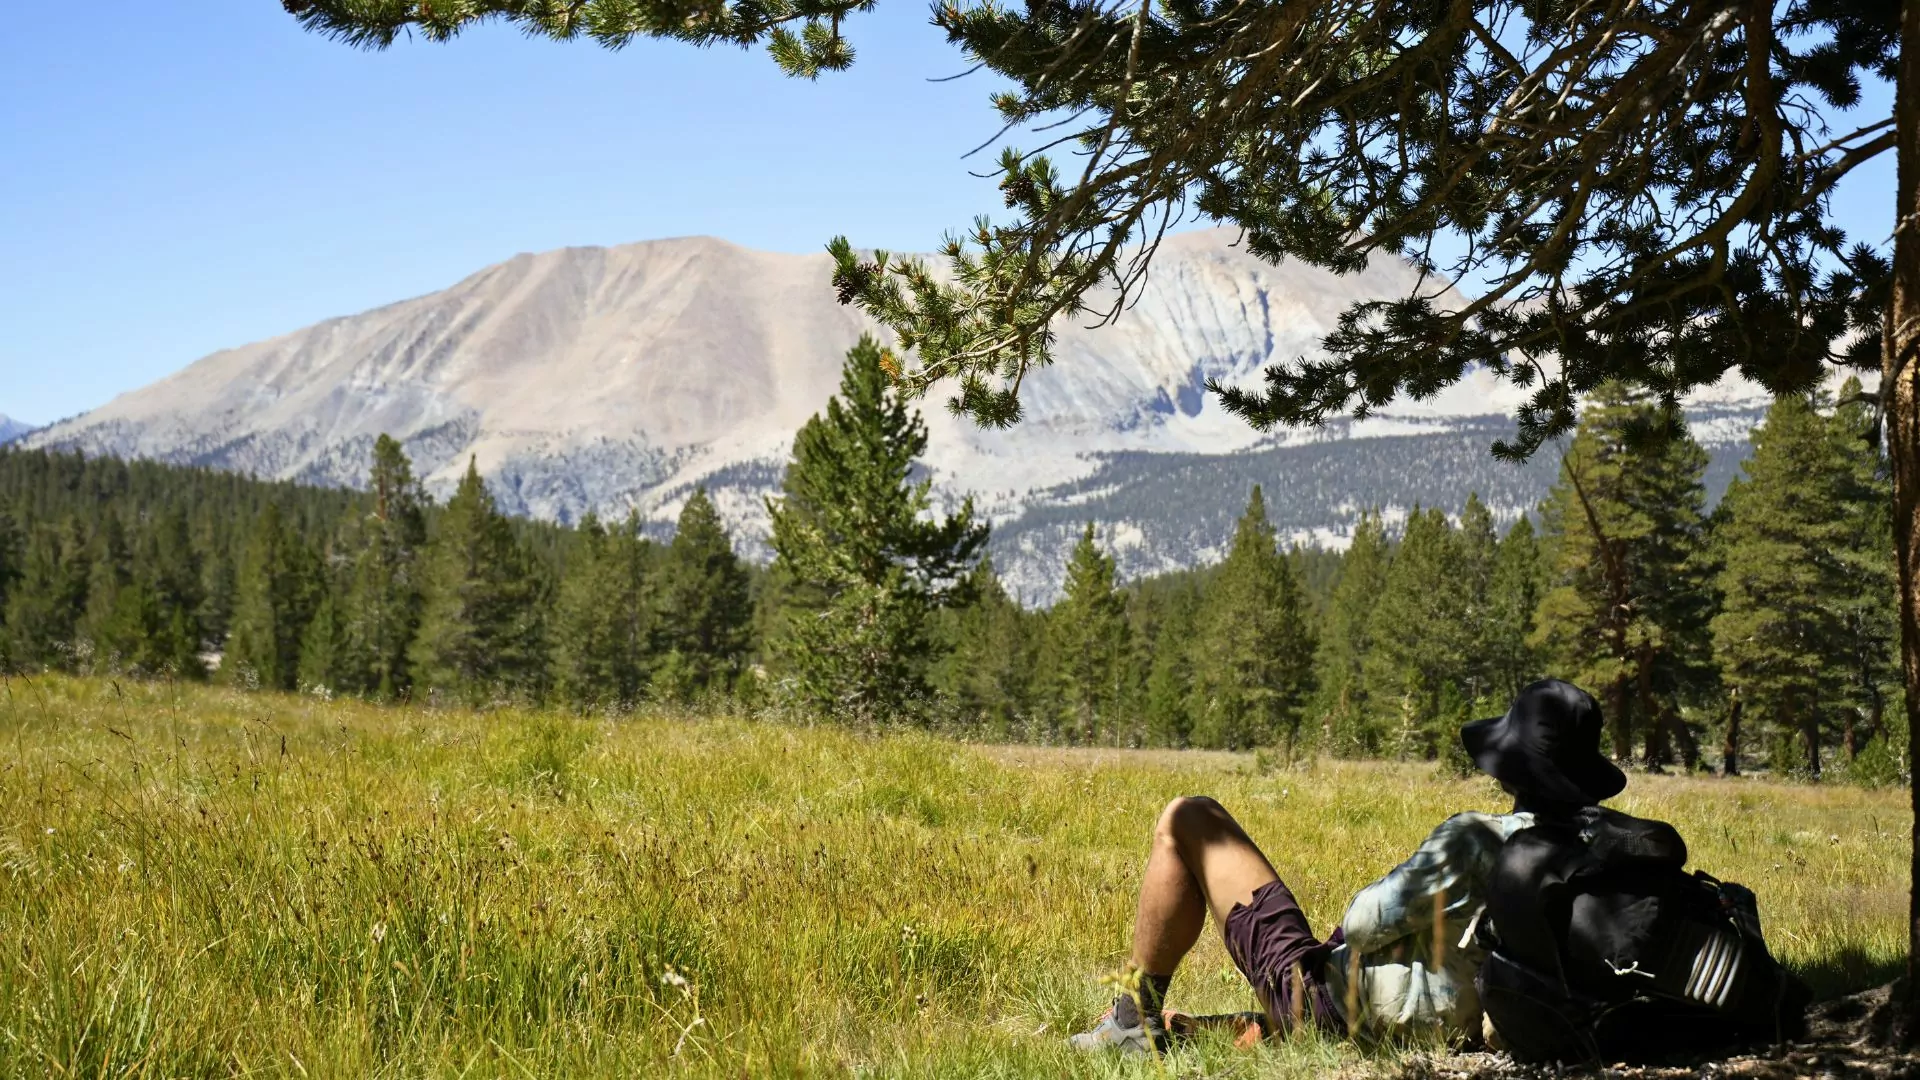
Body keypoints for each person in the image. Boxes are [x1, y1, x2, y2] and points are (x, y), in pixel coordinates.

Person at [1069, 678, 1625, 1054]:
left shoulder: (1478, 840)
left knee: (1187, 817)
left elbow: (1362, 921)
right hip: (1457, 1030)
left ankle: (1130, 1021)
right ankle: (1208, 1032)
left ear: (1510, 768)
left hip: (1342, 1008)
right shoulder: (1592, 855)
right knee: (1286, 1010)